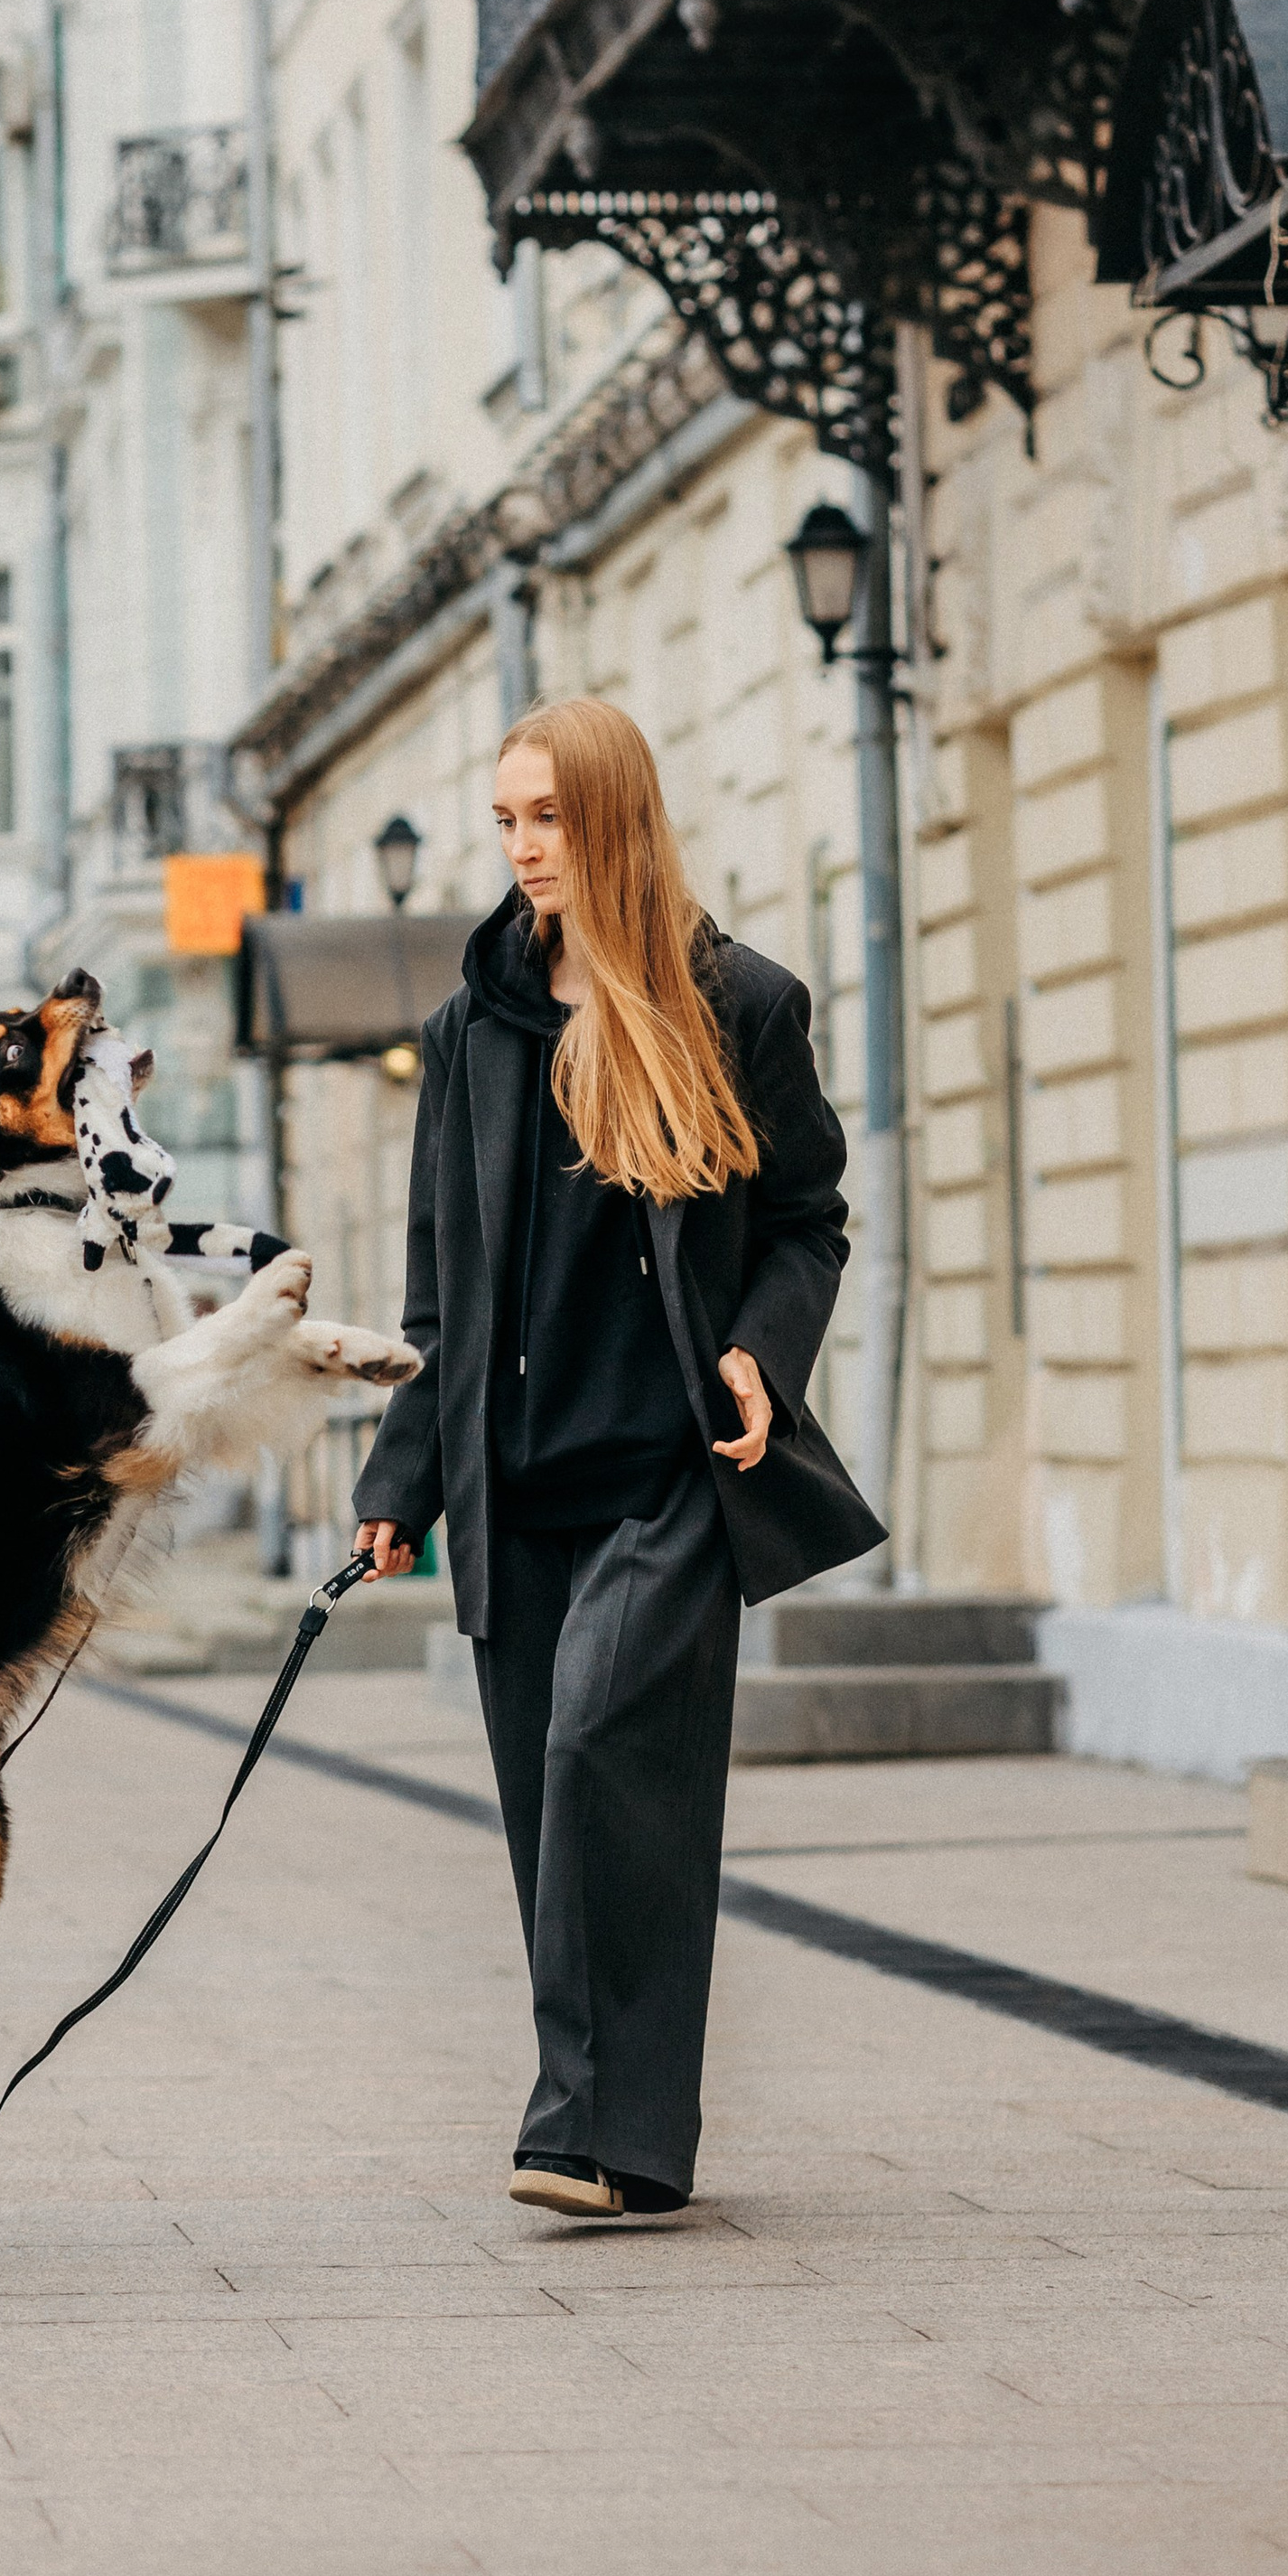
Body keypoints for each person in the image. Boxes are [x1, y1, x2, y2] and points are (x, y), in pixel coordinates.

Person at [356, 696, 882, 2222]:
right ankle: (635, 2151)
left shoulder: (739, 1006)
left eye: (551, 818)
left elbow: (807, 1216)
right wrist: (404, 1485)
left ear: (616, 820)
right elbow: (439, 1292)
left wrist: (760, 1351)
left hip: (672, 1471)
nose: (525, 849)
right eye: (507, 820)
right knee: (553, 1808)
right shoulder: (472, 1030)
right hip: (516, 1489)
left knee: (602, 1759)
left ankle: (572, 2121)